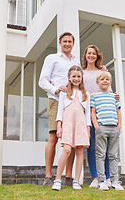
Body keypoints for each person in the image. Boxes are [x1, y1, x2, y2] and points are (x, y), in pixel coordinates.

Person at [39, 32, 80, 187]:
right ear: (60, 42)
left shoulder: (76, 62)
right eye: (65, 41)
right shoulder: (52, 58)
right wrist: (56, 89)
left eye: (70, 41)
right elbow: (42, 80)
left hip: (72, 104)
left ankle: (69, 177)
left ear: (73, 43)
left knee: (72, 140)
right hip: (56, 100)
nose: (67, 44)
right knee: (53, 137)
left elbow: (82, 79)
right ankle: (48, 176)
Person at [51, 65, 91, 190]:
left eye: (78, 76)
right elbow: (60, 111)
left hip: (81, 125)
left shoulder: (86, 94)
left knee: (79, 151)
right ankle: (57, 180)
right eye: (74, 76)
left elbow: (87, 114)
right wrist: (59, 126)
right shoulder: (64, 93)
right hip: (67, 124)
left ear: (81, 78)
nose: (76, 79)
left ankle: (76, 180)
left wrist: (88, 129)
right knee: (67, 150)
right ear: (69, 78)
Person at [82, 45, 110, 188]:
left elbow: (108, 90)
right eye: (89, 53)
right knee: (91, 147)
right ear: (85, 55)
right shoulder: (81, 72)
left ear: (97, 56)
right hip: (87, 112)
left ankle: (107, 177)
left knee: (104, 147)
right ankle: (95, 177)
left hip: (102, 112)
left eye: (93, 53)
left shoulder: (102, 71)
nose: (91, 56)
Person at [90, 71, 124, 191]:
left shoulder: (113, 96)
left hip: (114, 128)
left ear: (110, 82)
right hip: (102, 128)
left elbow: (118, 112)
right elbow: (92, 113)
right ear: (97, 82)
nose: (105, 81)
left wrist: (119, 126)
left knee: (113, 155)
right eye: (102, 79)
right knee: (100, 155)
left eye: (107, 79)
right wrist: (97, 127)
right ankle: (102, 181)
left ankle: (114, 181)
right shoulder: (94, 96)